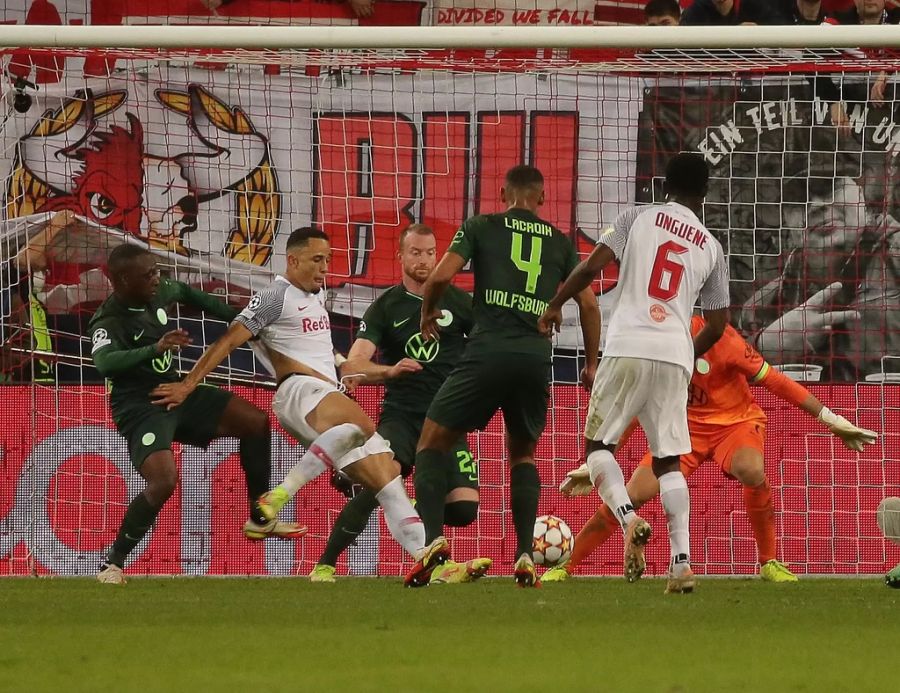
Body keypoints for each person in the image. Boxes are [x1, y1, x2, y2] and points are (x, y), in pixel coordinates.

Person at [152, 227, 450, 587]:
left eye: (327, 259)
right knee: (362, 425)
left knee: (387, 480)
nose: (324, 267)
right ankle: (278, 496)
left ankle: (429, 563)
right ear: (292, 260)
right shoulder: (276, 296)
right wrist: (187, 385)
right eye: (316, 259)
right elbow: (229, 340)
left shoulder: (316, 295)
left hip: (324, 390)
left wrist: (378, 371)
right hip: (298, 392)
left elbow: (329, 354)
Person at [544, 315, 878, 583]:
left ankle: (769, 562)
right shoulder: (658, 347)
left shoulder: (725, 340)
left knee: (752, 470)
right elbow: (638, 407)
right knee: (633, 495)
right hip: (683, 428)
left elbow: (775, 380)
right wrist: (602, 459)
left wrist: (829, 418)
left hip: (735, 423)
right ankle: (566, 566)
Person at [539, 152, 730, 594]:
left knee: (597, 446)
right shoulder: (710, 246)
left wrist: (555, 303)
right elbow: (718, 324)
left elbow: (591, 267)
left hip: (627, 344)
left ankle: (628, 518)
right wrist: (685, 349)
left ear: (664, 185)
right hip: (675, 356)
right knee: (667, 461)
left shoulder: (636, 218)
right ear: (703, 194)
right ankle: (681, 562)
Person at [415, 164, 601, 588]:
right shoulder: (559, 242)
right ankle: (523, 555)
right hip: (535, 359)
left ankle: (432, 543)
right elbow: (590, 306)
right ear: (542, 198)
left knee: (431, 441)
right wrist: (590, 364)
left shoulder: (481, 225)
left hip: (487, 350)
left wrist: (428, 311)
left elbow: (441, 275)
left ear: (503, 194)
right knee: (523, 454)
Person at [90, 244, 303, 585]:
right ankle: (112, 563)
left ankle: (259, 517)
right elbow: (104, 363)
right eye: (147, 276)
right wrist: (155, 348)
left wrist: (241, 322)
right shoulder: (108, 320)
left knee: (255, 422)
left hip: (177, 392)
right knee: (164, 480)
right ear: (122, 280)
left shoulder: (160, 291)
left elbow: (192, 294)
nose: (157, 279)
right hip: (141, 407)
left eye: (157, 272)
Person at [309, 224, 490, 585]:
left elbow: (488, 344)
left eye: (429, 253)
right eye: (415, 252)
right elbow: (354, 364)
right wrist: (390, 370)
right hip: (402, 417)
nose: (423, 260)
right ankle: (325, 565)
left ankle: (416, 532)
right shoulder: (386, 307)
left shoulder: (458, 303)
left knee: (465, 508)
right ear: (401, 256)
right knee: (384, 480)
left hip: (446, 417)